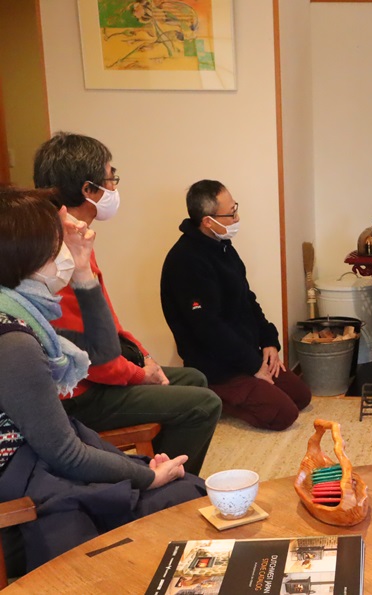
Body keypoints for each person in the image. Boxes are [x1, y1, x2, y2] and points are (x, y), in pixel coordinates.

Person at [0, 187, 205, 573]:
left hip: (39, 460)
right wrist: (147, 476)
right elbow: (66, 455)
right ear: (29, 257)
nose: (64, 253)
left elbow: (104, 352)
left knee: (178, 484)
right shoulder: (13, 341)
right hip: (22, 495)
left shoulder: (19, 312)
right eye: (58, 246)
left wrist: (82, 271)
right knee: (187, 493)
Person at [33, 132, 222, 476]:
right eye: (111, 179)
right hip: (77, 394)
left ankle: (157, 471)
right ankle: (163, 485)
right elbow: (95, 360)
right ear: (88, 189)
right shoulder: (57, 257)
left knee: (194, 379)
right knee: (204, 404)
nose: (114, 187)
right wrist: (139, 375)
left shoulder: (72, 236)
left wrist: (145, 357)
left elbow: (108, 324)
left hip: (96, 374)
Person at [160, 180, 311, 430]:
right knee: (284, 414)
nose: (237, 218)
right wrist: (253, 366)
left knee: (301, 396)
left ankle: (245, 386)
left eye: (235, 209)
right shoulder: (185, 261)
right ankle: (212, 396)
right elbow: (208, 328)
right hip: (216, 366)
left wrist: (269, 341)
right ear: (208, 221)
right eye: (231, 213)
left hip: (244, 354)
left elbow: (247, 298)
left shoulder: (223, 248)